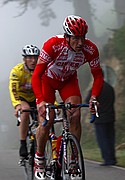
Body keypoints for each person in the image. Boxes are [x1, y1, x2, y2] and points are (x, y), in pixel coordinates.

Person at [32, 15, 104, 179]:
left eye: (83, 38)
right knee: (47, 118)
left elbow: (98, 76)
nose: (80, 42)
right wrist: (41, 100)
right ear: (67, 36)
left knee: (75, 114)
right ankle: (39, 157)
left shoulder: (90, 49)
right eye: (76, 38)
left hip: (68, 81)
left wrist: (93, 97)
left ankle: (73, 158)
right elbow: (36, 75)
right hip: (47, 81)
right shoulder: (53, 45)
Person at [9, 45, 40, 160]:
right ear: (24, 59)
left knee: (43, 118)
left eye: (35, 57)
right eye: (29, 58)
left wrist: (53, 104)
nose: (33, 60)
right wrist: (17, 105)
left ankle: (38, 143)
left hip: (36, 97)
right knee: (25, 112)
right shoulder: (17, 71)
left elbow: (48, 89)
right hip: (22, 97)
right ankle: (23, 143)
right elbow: (13, 90)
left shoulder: (41, 70)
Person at [85, 80, 117, 166]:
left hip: (100, 118)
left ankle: (107, 159)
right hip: (110, 116)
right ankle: (112, 158)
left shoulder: (95, 90)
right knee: (110, 138)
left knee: (103, 139)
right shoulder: (110, 87)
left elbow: (87, 100)